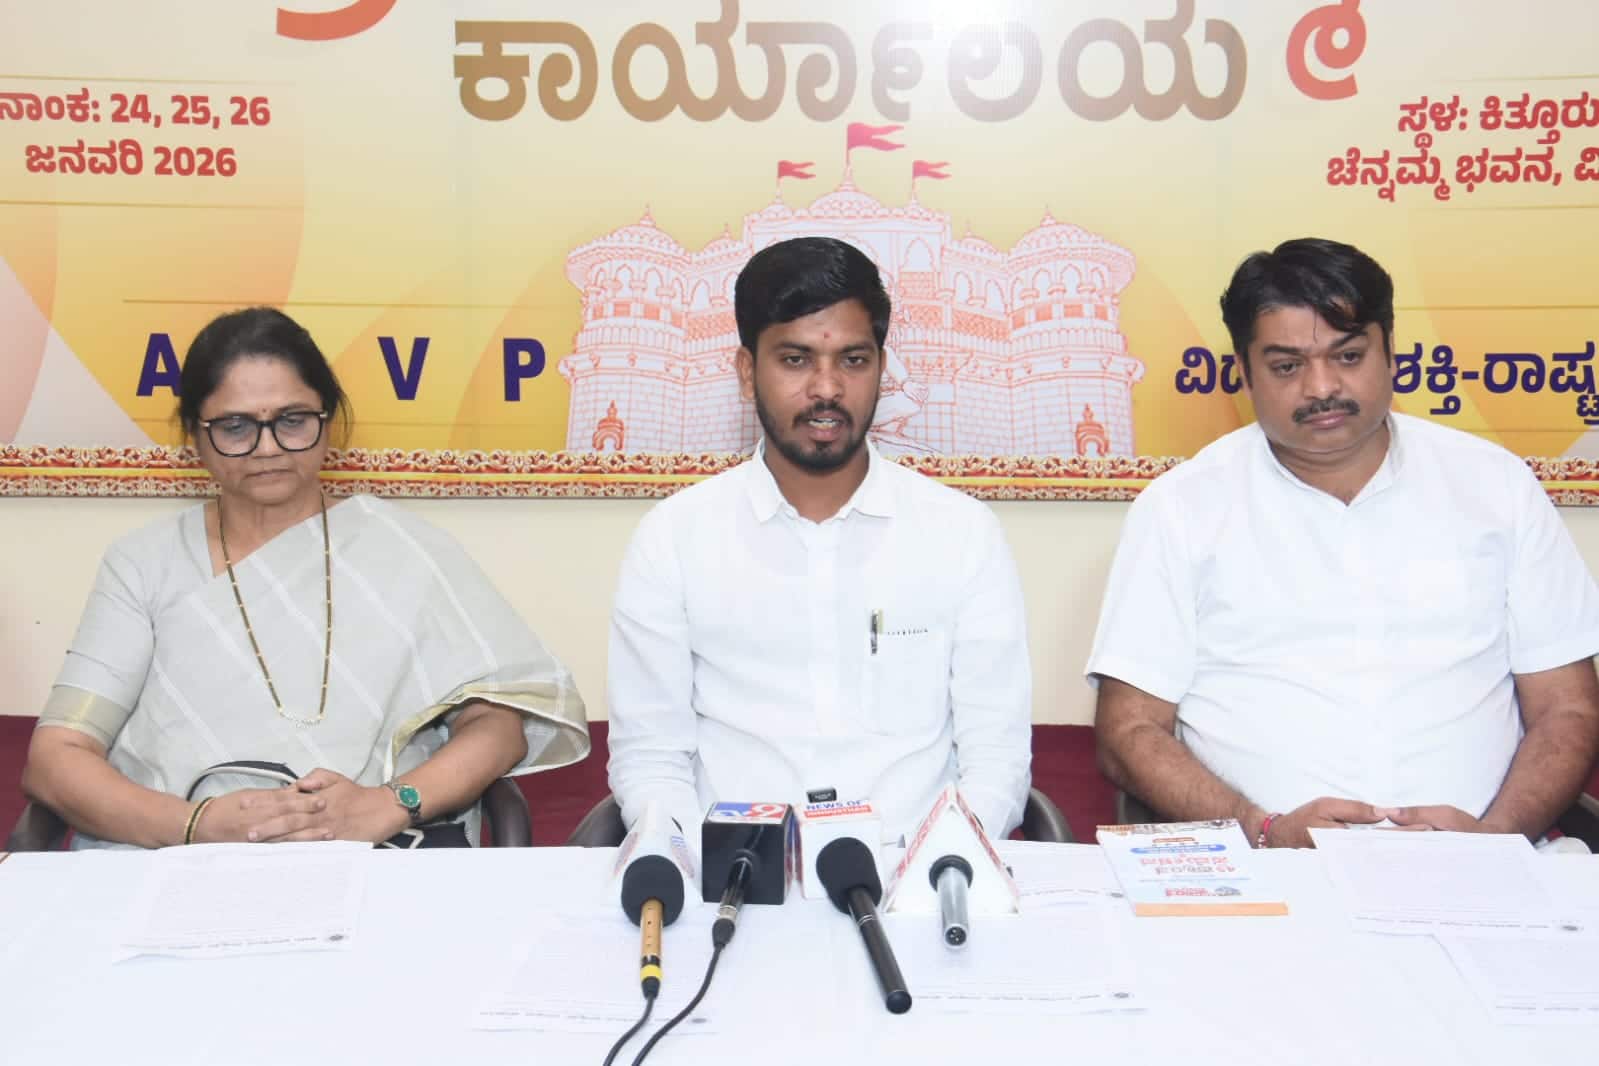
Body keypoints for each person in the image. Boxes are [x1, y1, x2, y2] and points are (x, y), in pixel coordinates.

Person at [1088, 237, 1599, 849]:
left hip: (1487, 866)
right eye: (1287, 366)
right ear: (1243, 373)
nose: (1321, 387)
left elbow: (1566, 708)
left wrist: (1494, 841)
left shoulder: (1497, 486)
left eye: (1348, 355)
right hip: (1267, 871)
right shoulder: (1182, 507)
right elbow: (1130, 730)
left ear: (1391, 353)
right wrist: (1264, 831)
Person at [20, 307, 589, 849]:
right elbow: (57, 756)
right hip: (180, 859)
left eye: (292, 421)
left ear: (327, 420)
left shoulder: (404, 548)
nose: (267, 447)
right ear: (194, 433)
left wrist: (388, 804)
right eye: (236, 426)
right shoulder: (145, 563)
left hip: (379, 856)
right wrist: (197, 824)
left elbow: (497, 726)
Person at [606, 236, 1032, 842]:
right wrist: (705, 863)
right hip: (735, 873)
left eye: (853, 360)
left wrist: (941, 863)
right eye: (796, 360)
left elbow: (996, 758)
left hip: (918, 871)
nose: (827, 389)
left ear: (881, 369)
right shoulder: (674, 538)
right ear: (747, 371)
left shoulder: (962, 534)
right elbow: (651, 759)